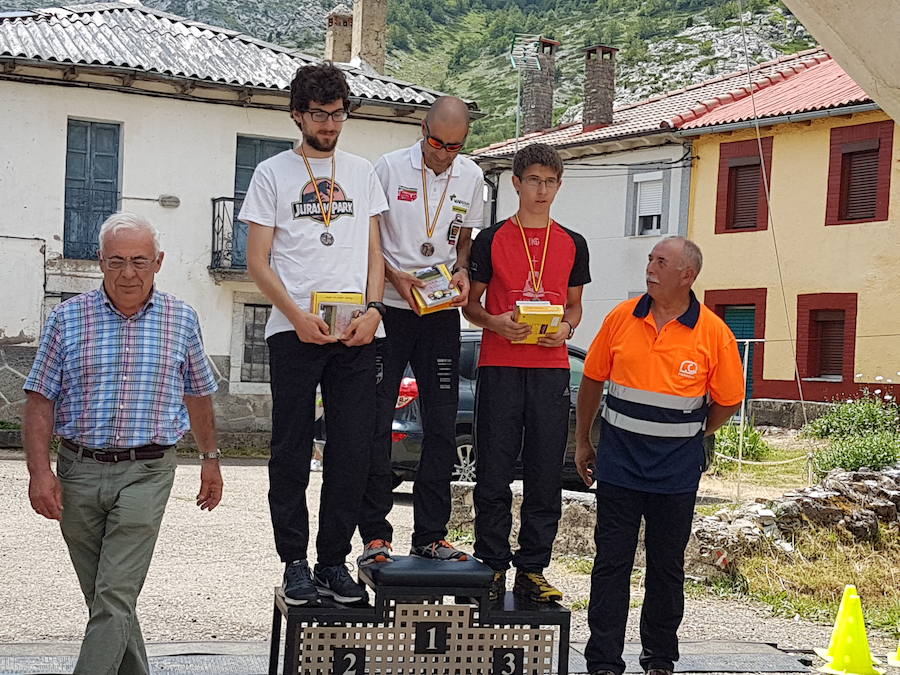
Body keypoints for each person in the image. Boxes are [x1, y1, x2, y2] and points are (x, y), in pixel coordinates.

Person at [23, 212, 222, 675]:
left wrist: (210, 460)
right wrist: (39, 472)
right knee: (107, 595)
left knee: (113, 594)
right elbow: (38, 401)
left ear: (159, 262)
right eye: (116, 261)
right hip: (77, 471)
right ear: (100, 262)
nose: (128, 273)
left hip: (147, 471)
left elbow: (198, 393)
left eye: (139, 261)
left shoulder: (181, 319)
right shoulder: (66, 319)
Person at [240, 62, 388, 606]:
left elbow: (375, 251)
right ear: (298, 114)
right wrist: (298, 315)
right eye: (320, 114)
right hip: (293, 330)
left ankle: (332, 561)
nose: (330, 124)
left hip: (355, 331)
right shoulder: (272, 173)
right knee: (291, 449)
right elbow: (257, 262)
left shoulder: (362, 171)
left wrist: (374, 309)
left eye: (338, 113)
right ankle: (295, 561)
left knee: (352, 450)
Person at [574, 237, 745, 675]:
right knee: (611, 564)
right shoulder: (620, 318)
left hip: (676, 472)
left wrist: (692, 432)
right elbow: (592, 381)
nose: (650, 267)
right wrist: (583, 441)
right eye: (651, 259)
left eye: (661, 261)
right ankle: (603, 661)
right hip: (619, 464)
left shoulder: (714, 334)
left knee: (666, 567)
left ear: (687, 275)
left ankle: (659, 659)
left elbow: (728, 400)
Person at [357, 96, 484, 566]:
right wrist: (394, 277)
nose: (444, 154)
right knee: (377, 421)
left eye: (454, 146)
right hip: (390, 307)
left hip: (440, 309)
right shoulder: (388, 168)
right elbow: (368, 239)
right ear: (422, 130)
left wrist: (465, 272)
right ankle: (375, 534)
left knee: (442, 422)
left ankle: (431, 533)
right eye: (436, 143)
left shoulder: (470, 176)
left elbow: (464, 239)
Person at [464, 142, 590, 602]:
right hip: (500, 365)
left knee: (544, 474)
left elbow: (575, 304)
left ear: (559, 186)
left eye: (550, 181)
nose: (542, 189)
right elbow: (471, 304)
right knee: (493, 472)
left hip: (550, 369)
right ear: (516, 183)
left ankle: (533, 567)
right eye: (533, 180)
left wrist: (567, 327)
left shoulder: (573, 242)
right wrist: (495, 323)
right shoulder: (491, 238)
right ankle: (492, 564)